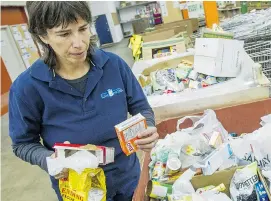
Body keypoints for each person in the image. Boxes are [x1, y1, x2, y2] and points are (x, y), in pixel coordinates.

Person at [8, 2, 159, 201]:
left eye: (83, 29)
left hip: (127, 178)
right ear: (43, 36)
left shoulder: (114, 65)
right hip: (79, 188)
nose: (79, 43)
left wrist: (148, 126)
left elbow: (141, 107)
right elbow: (23, 143)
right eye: (64, 34)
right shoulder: (27, 87)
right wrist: (49, 161)